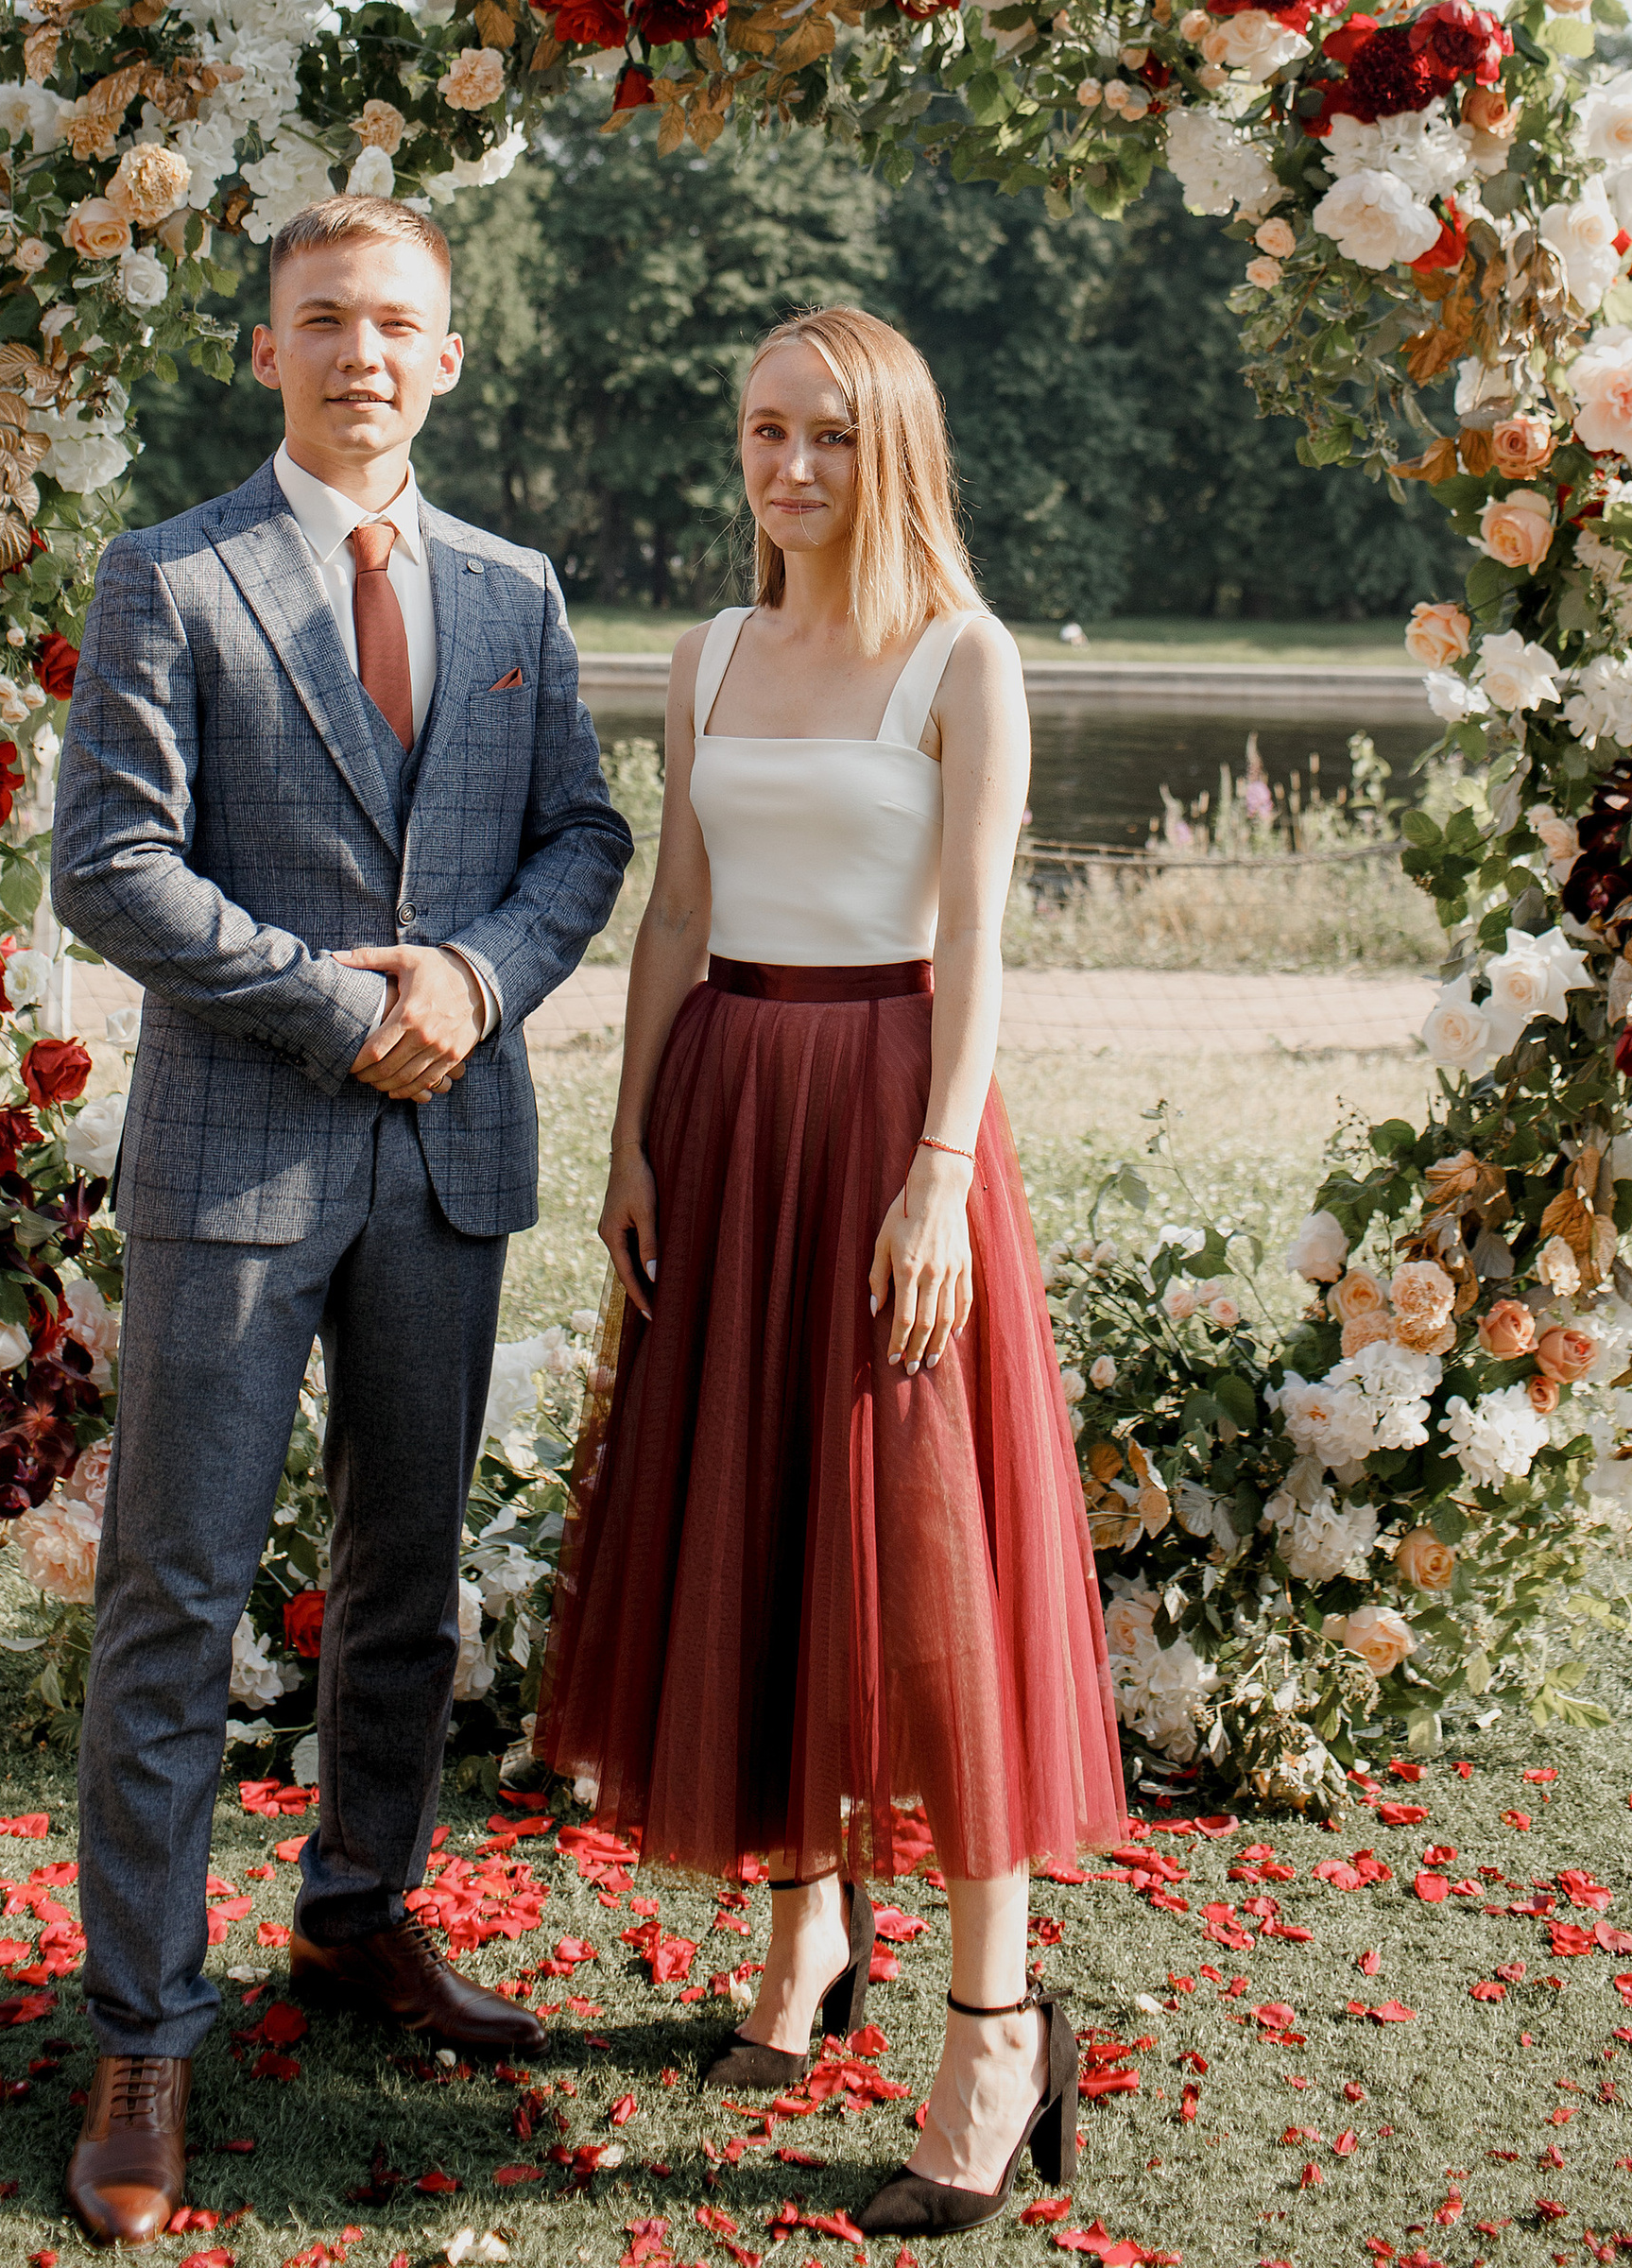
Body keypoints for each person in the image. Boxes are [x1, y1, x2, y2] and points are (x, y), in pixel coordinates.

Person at [51, 193, 631, 2243]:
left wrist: (472, 984)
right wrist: (337, 1005)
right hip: (235, 1162)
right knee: (176, 1600)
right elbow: (108, 867)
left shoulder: (511, 593)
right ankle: (142, 2030)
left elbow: (584, 832)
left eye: (396, 323)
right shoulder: (169, 578)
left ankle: (356, 1918)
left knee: (408, 1584)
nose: (360, 352)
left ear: (446, 357)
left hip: (446, 1154)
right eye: (322, 320)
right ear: (267, 347)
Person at [532, 307, 1125, 2241]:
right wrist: (627, 1138)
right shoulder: (705, 654)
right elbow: (677, 910)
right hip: (722, 1109)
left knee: (927, 1567)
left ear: (895, 454)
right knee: (762, 1522)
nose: (788, 468)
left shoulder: (964, 657)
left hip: (885, 1120)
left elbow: (977, 942)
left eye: (828, 439)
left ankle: (993, 2025)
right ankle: (799, 1950)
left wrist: (939, 1172)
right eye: (762, 434)